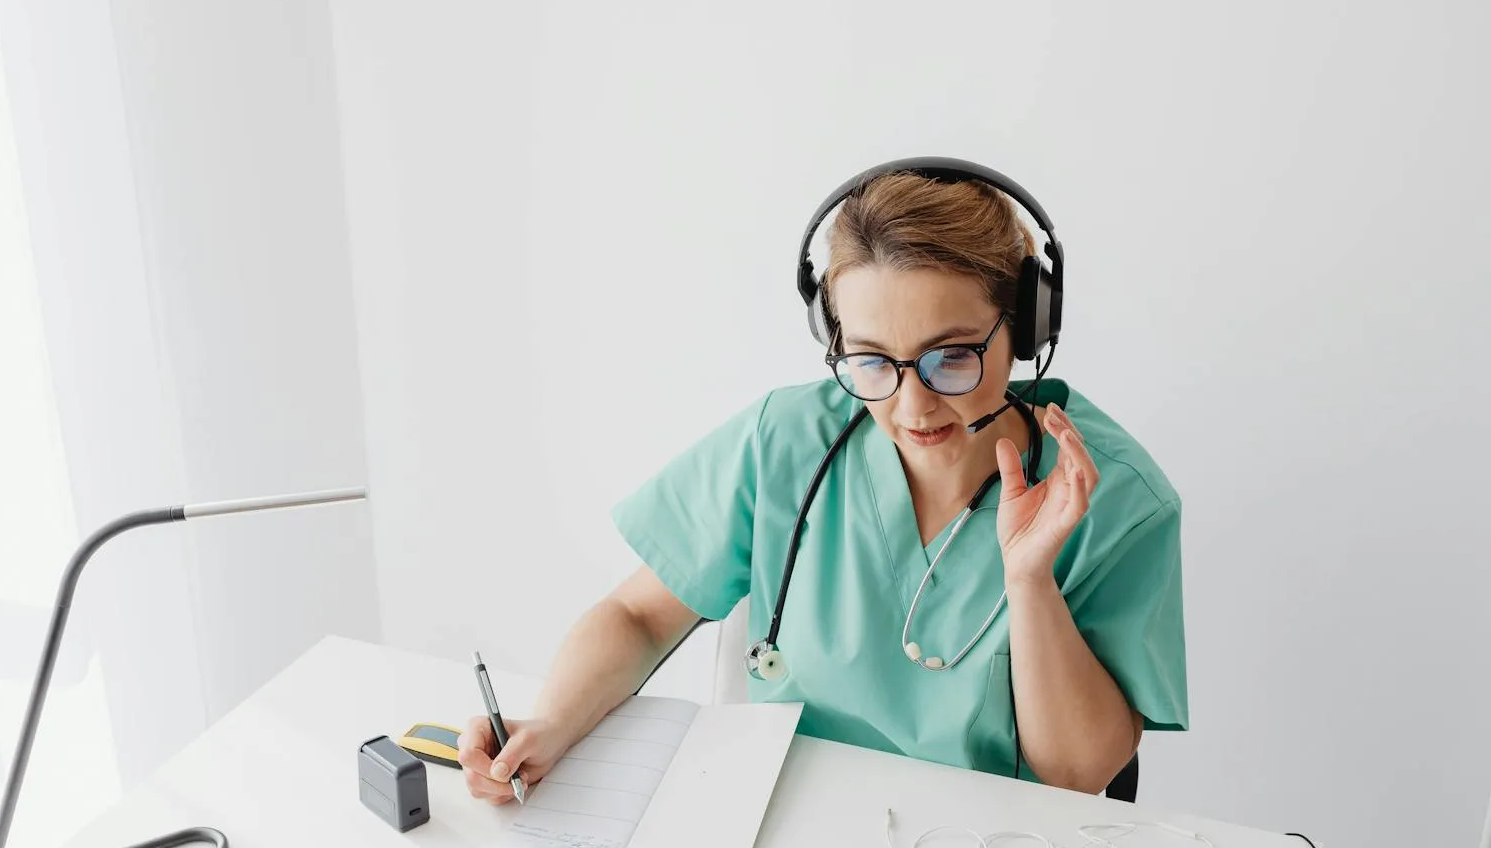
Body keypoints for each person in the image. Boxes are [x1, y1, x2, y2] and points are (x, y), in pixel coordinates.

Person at [460, 159, 1187, 800]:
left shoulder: (1115, 498)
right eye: (871, 361)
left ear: (1025, 325)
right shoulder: (787, 442)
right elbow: (640, 616)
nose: (911, 405)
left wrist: (1029, 581)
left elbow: (1077, 776)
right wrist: (551, 720)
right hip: (792, 838)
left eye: (951, 357)